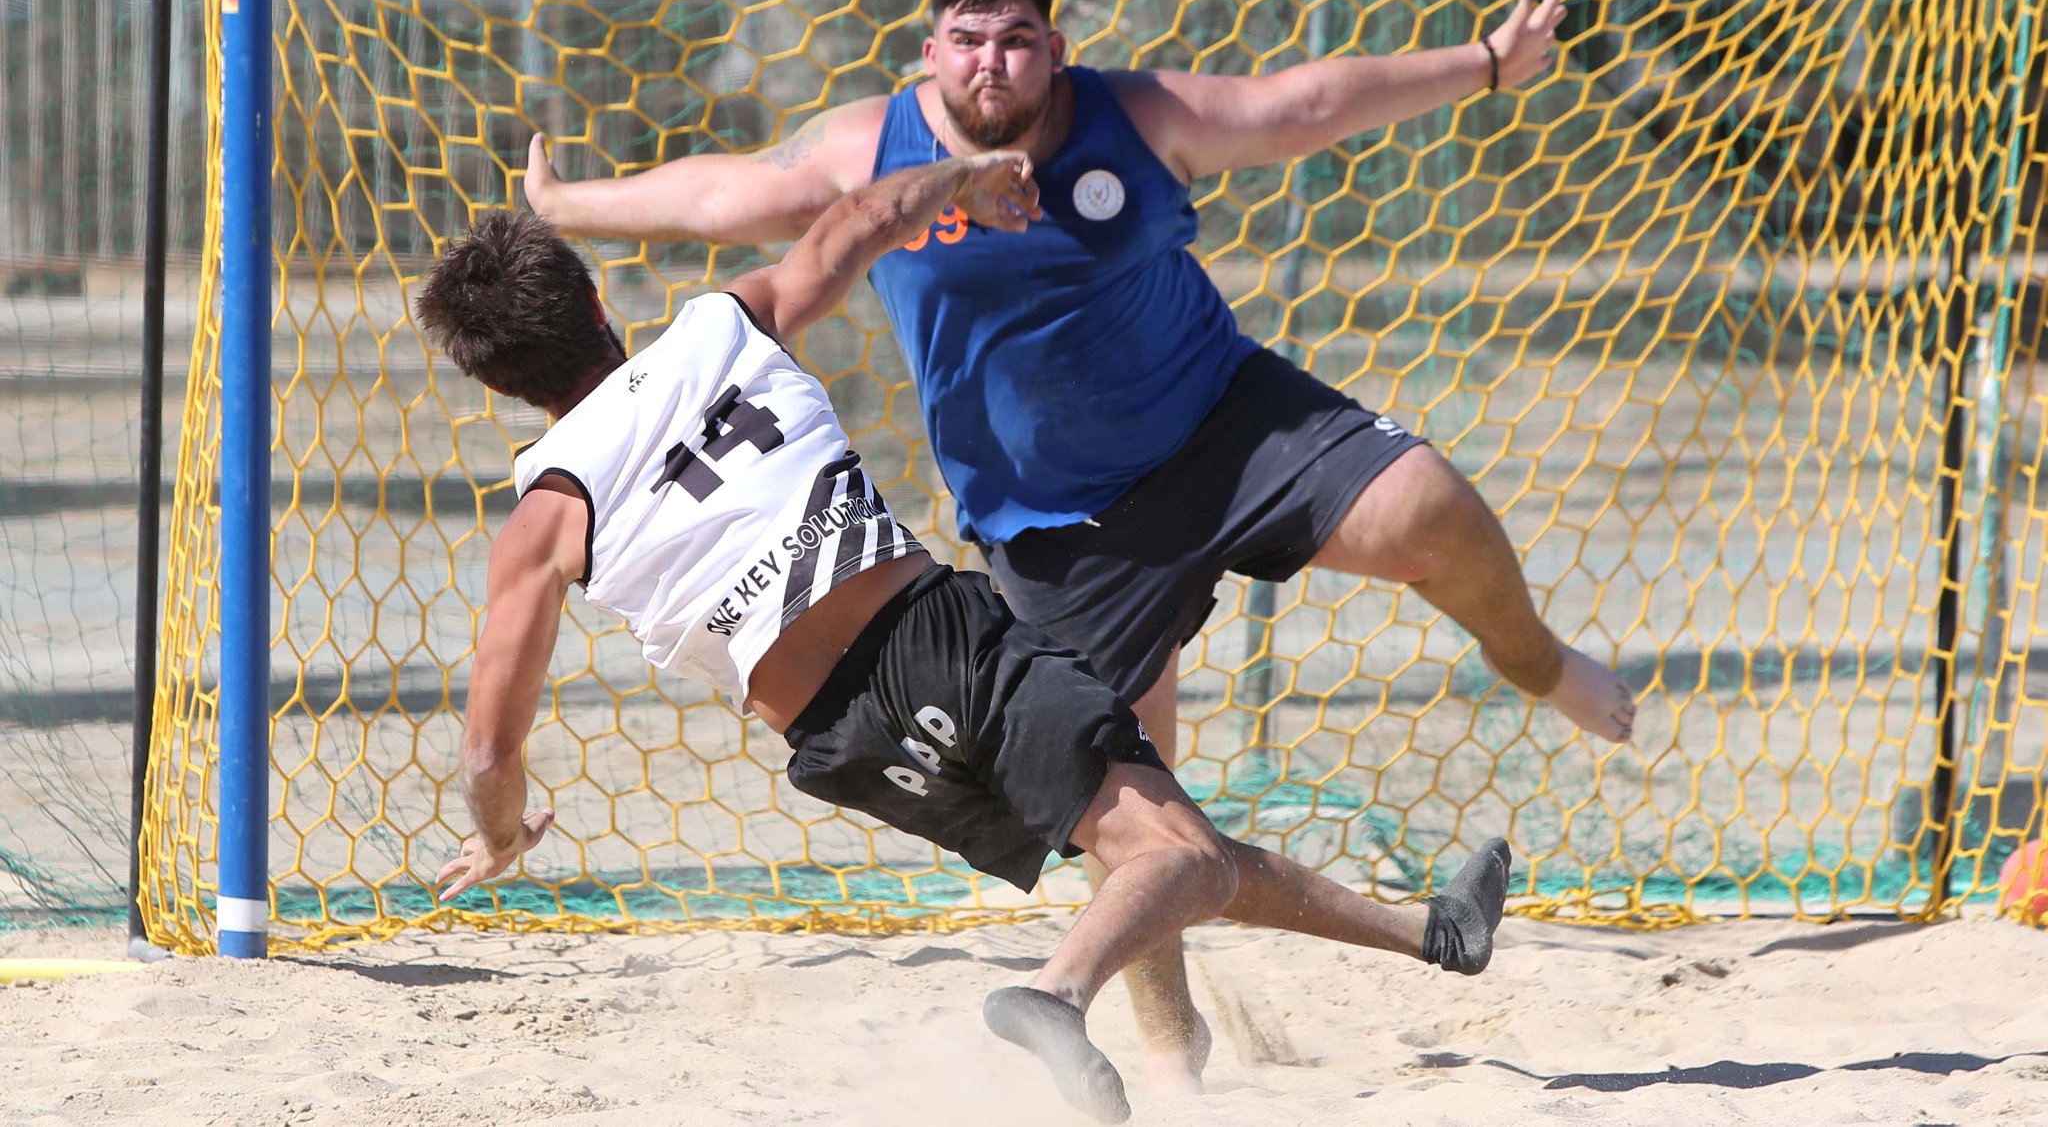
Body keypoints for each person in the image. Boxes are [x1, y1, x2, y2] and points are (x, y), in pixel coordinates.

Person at [522, 0, 1633, 1090]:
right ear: (928, 53)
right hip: (1055, 530)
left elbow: (1301, 102)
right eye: (966, 42)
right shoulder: (872, 148)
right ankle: (1171, 1048)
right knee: (1137, 804)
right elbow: (717, 192)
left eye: (1014, 40)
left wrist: (1486, 64)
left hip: (1222, 425)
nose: (991, 64)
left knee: (1432, 508)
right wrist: (566, 203)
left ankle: (1537, 662)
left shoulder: (1130, 115)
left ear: (1055, 49)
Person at [419, 157, 1514, 1125]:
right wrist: (971, 179)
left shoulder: (541, 519)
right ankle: (1052, 997)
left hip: (842, 746)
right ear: (600, 301)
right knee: (1170, 852)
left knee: (1151, 849)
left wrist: (504, 836)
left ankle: (1430, 939)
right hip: (931, 637)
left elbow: (484, 754)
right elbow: (858, 219)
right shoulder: (716, 332)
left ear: (496, 383)